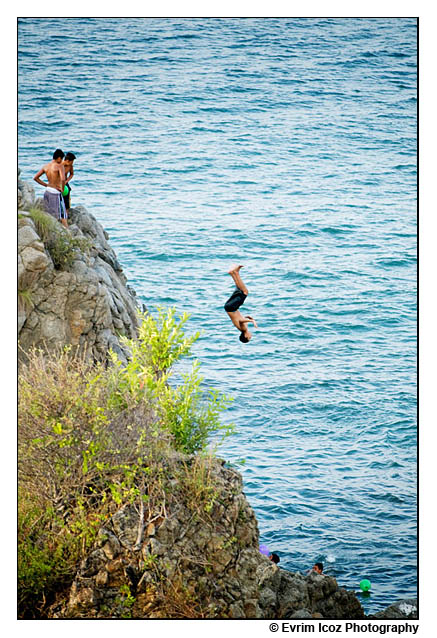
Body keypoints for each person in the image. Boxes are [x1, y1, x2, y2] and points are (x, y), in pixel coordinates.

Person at [33, 149, 67, 228]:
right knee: (61, 215)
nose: (61, 161)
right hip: (55, 193)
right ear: (58, 157)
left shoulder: (46, 166)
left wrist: (46, 185)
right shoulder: (59, 166)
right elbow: (62, 179)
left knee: (49, 213)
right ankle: (64, 232)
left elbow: (36, 178)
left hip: (47, 191)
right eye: (61, 159)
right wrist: (62, 188)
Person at [224, 265, 258, 343]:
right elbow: (239, 319)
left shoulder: (244, 329)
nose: (250, 336)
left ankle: (235, 273)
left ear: (245, 336)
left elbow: (240, 321)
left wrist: (252, 322)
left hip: (232, 308)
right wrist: (248, 318)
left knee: (245, 292)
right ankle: (233, 273)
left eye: (249, 338)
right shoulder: (242, 329)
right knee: (239, 290)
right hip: (230, 308)